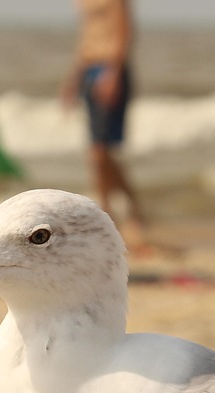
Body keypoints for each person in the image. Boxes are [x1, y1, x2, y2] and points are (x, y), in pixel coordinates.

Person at [62, 0, 146, 248]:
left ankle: (109, 214)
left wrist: (114, 72)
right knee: (99, 150)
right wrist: (73, 79)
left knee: (100, 150)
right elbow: (86, 35)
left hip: (109, 68)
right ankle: (132, 211)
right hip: (89, 68)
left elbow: (125, 31)